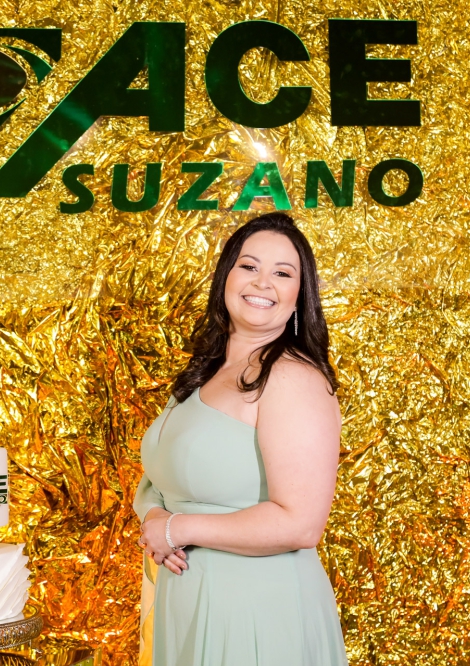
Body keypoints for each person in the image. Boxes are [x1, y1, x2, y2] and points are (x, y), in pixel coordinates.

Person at [133, 213, 349, 665]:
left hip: (259, 610)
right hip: (189, 603)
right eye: (249, 266)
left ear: (300, 296)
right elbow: (160, 477)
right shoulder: (206, 372)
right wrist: (154, 516)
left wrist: (178, 529)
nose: (262, 282)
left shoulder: (292, 378)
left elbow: (301, 523)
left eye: (282, 273)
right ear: (225, 277)